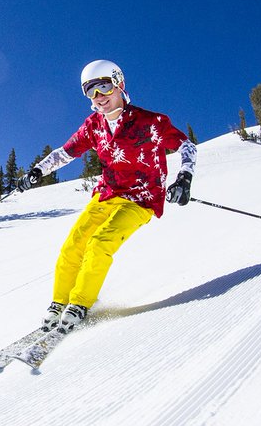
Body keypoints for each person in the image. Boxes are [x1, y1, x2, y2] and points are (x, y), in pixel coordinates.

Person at [16, 59, 196, 335]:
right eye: (91, 91)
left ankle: (79, 304)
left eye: (104, 87)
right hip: (106, 194)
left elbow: (186, 146)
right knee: (73, 245)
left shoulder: (151, 122)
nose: (99, 97)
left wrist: (184, 177)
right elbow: (66, 152)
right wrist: (38, 170)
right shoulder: (94, 126)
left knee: (100, 243)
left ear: (119, 84)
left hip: (141, 199)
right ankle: (58, 303)